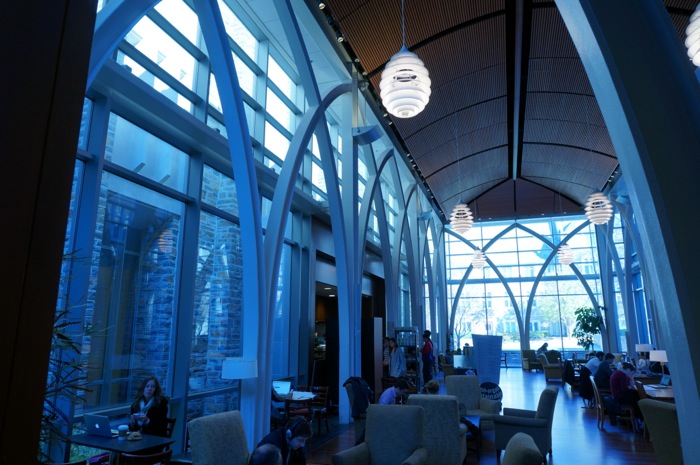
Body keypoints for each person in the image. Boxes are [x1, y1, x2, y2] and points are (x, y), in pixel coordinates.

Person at [610, 362, 643, 428]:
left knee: (636, 396)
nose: (631, 374)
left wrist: (630, 379)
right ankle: (640, 418)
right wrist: (631, 383)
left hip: (616, 395)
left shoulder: (618, 372)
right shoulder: (622, 375)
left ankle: (639, 418)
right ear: (627, 369)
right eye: (631, 372)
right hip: (620, 396)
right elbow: (625, 388)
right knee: (638, 400)